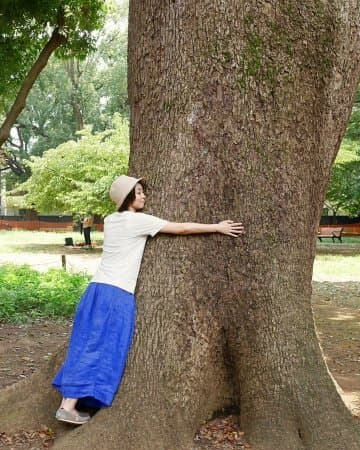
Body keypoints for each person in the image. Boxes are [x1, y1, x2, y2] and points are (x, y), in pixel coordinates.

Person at [52, 175, 244, 425]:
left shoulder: (111, 220)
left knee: (86, 343)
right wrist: (217, 227)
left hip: (97, 290)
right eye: (139, 192)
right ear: (128, 197)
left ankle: (71, 403)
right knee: (102, 347)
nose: (144, 196)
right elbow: (181, 228)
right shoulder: (135, 221)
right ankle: (69, 406)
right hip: (116, 294)